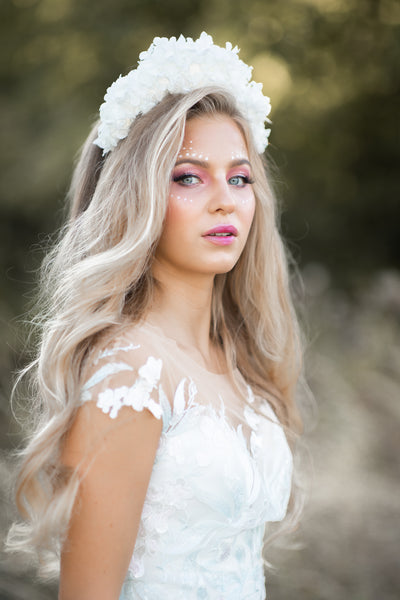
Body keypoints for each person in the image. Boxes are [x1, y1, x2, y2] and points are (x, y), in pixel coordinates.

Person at [7, 32, 304, 599]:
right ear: (136, 194)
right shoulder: (129, 377)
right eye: (188, 176)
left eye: (239, 177)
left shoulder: (236, 360)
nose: (224, 199)